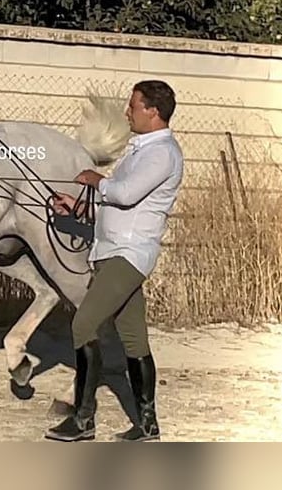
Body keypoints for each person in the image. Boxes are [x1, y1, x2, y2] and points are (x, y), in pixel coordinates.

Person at [44, 79, 184, 443]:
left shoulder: (161, 153)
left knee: (83, 324)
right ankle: (148, 425)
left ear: (153, 112)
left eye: (133, 106)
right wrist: (75, 209)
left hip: (129, 254)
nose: (127, 112)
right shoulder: (141, 151)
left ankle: (83, 419)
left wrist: (95, 180)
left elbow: (125, 194)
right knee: (134, 340)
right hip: (112, 251)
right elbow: (116, 206)